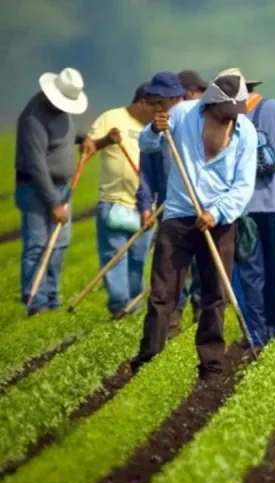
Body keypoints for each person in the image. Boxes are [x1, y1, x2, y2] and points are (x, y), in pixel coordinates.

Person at [131, 71, 258, 379]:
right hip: (179, 216)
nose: (233, 117)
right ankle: (148, 358)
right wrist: (154, 129)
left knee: (215, 295)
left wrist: (217, 212)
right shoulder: (182, 114)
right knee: (163, 292)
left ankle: (212, 365)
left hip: (219, 221)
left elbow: (243, 186)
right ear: (213, 104)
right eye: (229, 111)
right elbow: (146, 145)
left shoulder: (246, 132)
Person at [218, 68, 275, 347]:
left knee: (248, 270)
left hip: (242, 206)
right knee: (274, 267)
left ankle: (256, 333)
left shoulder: (224, 116)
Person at [15, 67, 90, 316]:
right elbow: (37, 165)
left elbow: (64, 137)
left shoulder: (61, 112)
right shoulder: (33, 119)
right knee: (37, 244)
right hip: (35, 189)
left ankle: (52, 296)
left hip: (61, 187)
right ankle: (35, 299)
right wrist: (54, 203)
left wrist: (84, 138)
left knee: (58, 245)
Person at [136, 71, 206, 332]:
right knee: (172, 273)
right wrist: (146, 205)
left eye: (160, 102)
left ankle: (202, 321)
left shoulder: (199, 121)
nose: (156, 108)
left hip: (201, 208)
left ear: (178, 97)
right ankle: (172, 324)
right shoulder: (156, 129)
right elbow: (146, 170)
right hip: (171, 211)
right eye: (152, 102)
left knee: (203, 272)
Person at [83, 82, 153, 318]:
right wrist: (107, 140)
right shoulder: (111, 117)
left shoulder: (154, 127)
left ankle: (135, 307)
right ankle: (120, 306)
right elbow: (89, 146)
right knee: (114, 257)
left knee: (138, 259)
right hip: (113, 202)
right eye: (154, 105)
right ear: (143, 102)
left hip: (145, 206)